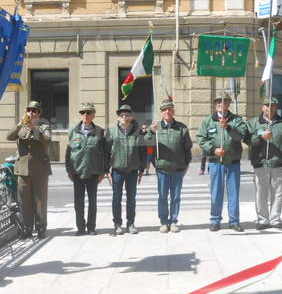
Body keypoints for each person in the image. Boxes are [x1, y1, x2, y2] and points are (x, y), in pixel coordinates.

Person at [196, 94, 248, 232]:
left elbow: (241, 136)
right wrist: (213, 150)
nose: (221, 104)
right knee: (216, 192)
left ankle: (234, 221)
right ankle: (215, 220)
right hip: (215, 162)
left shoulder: (237, 120)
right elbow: (201, 139)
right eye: (218, 102)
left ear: (228, 104)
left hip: (233, 161)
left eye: (224, 102)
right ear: (215, 105)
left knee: (233, 193)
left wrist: (228, 127)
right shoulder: (208, 121)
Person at [247, 96, 282, 231]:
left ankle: (275, 220)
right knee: (261, 194)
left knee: (278, 193)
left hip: (279, 163)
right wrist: (260, 137)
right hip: (261, 163)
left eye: (273, 105)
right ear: (262, 107)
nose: (270, 108)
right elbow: (248, 140)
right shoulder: (254, 123)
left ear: (277, 107)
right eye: (267, 105)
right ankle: (263, 220)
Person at [6, 101, 52, 239]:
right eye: (29, 110)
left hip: (40, 170)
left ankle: (41, 228)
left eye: (34, 111)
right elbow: (9, 136)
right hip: (23, 170)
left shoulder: (44, 127)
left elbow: (47, 140)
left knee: (40, 201)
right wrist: (21, 124)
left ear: (39, 114)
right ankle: (26, 228)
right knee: (24, 202)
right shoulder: (20, 127)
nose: (32, 113)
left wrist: (34, 129)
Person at [147, 99, 192, 233]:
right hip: (162, 169)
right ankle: (164, 222)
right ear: (161, 112)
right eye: (164, 109)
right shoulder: (156, 128)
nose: (167, 111)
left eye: (170, 109)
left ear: (173, 111)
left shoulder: (182, 128)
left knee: (176, 196)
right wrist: (150, 131)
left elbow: (187, 148)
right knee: (162, 196)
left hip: (178, 168)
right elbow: (146, 144)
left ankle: (173, 221)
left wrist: (186, 165)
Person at [65, 102, 108, 236]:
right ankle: (81, 228)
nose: (85, 115)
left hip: (93, 172)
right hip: (77, 172)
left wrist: (103, 171)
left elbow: (105, 153)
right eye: (83, 113)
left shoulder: (100, 132)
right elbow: (68, 152)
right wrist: (69, 170)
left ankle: (91, 227)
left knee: (92, 202)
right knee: (78, 203)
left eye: (88, 112)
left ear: (93, 115)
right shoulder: (73, 131)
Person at [105, 104, 146, 236]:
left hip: (132, 171)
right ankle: (117, 224)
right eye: (122, 115)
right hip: (117, 170)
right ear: (118, 118)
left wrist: (142, 170)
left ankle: (130, 223)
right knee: (116, 198)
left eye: (127, 115)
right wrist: (107, 171)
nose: (124, 117)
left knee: (131, 198)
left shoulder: (138, 132)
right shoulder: (111, 132)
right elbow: (105, 152)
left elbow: (142, 151)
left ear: (131, 117)